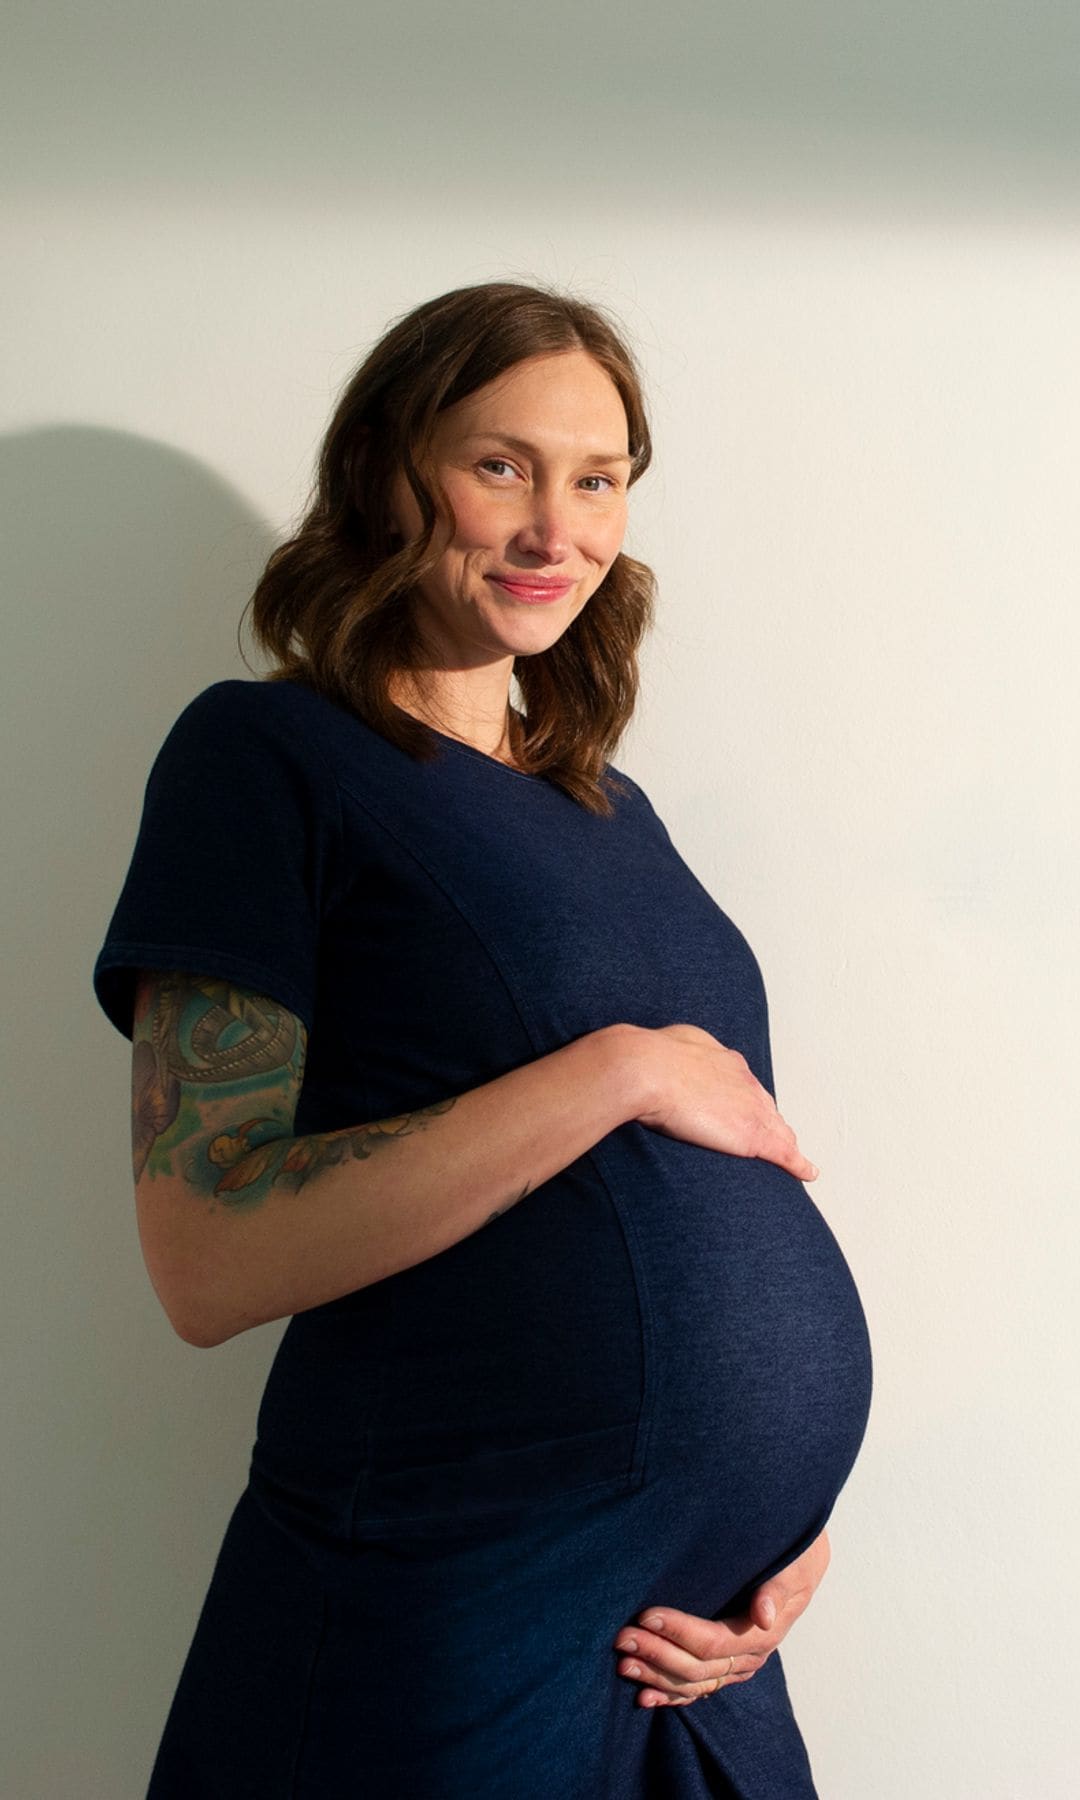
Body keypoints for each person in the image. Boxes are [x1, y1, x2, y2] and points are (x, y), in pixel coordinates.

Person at [94, 282, 872, 1799]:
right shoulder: (268, 759)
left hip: (688, 1652)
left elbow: (726, 1209)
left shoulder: (613, 813)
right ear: (389, 469)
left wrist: (790, 1531)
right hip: (451, 1614)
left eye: (598, 480)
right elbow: (208, 1253)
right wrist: (618, 1070)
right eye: (499, 466)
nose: (556, 530)